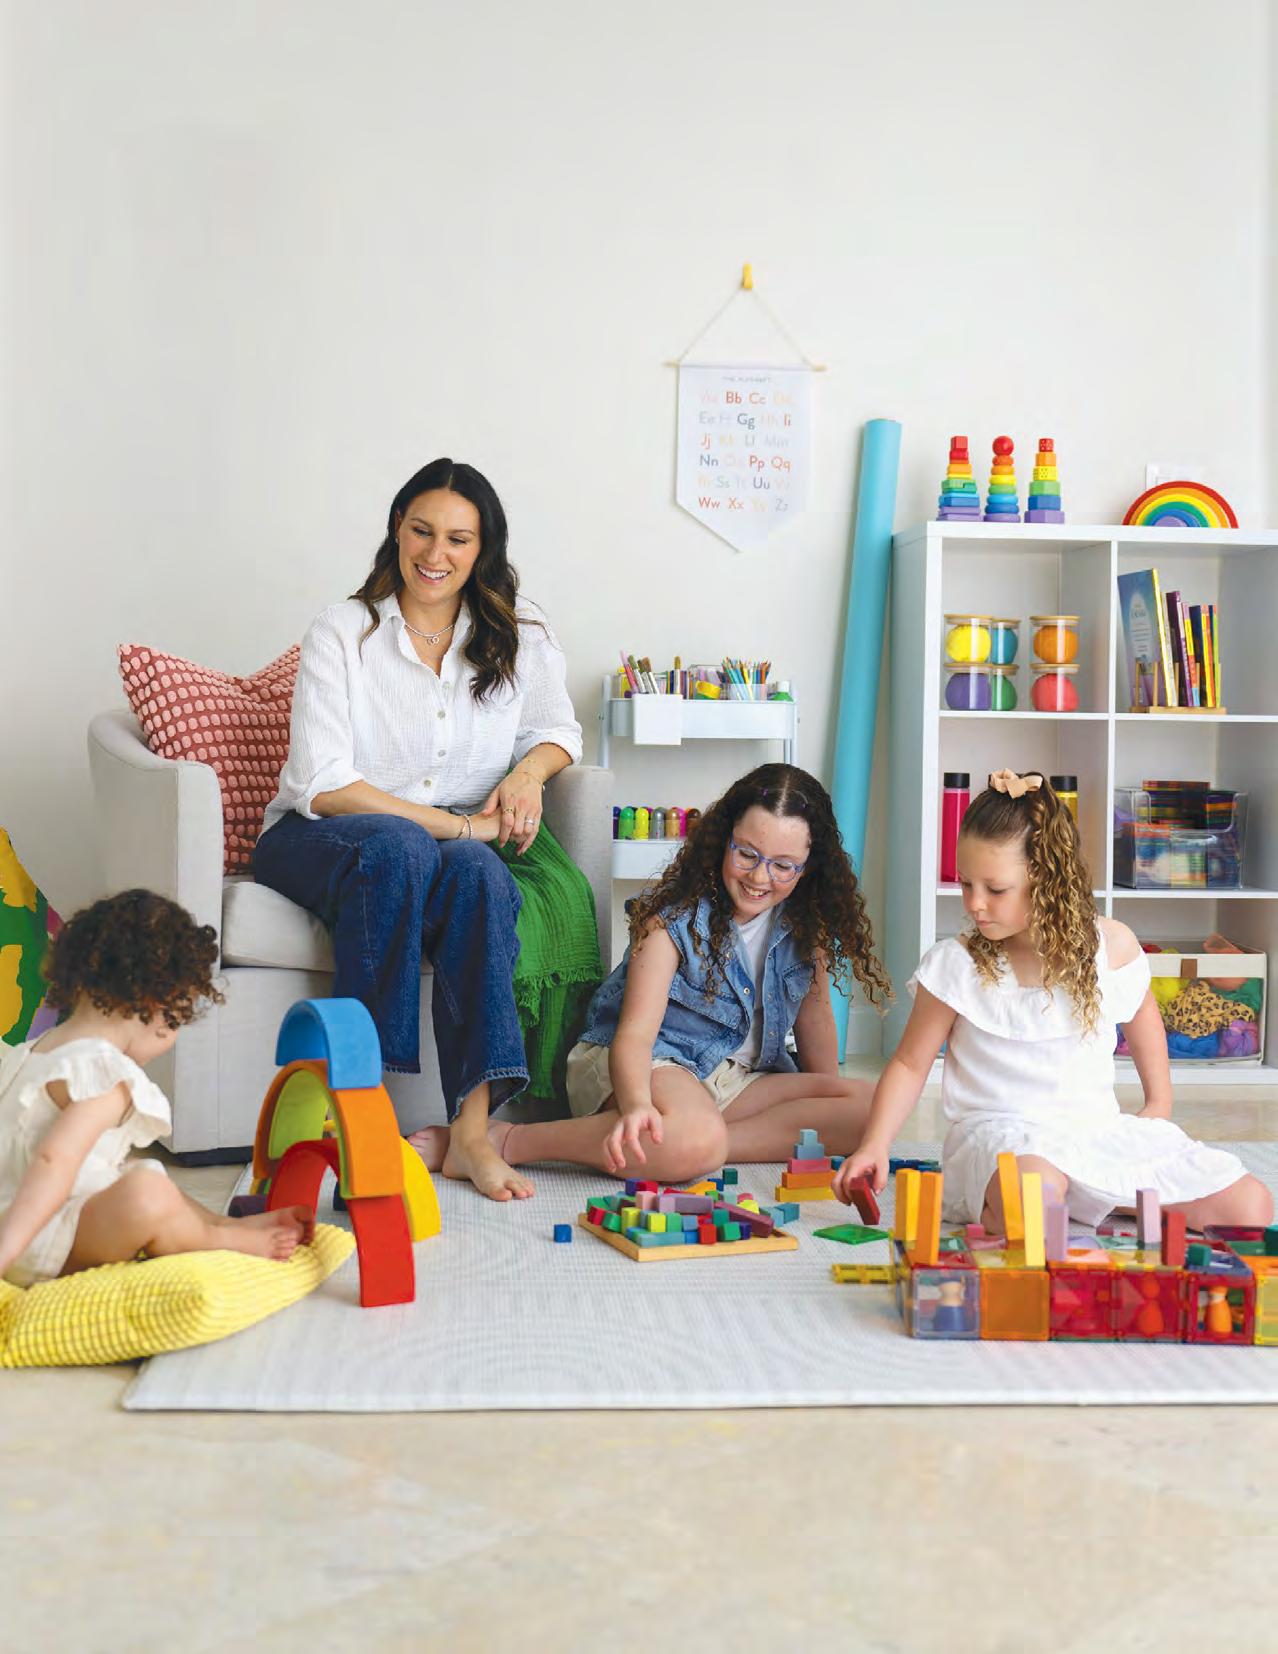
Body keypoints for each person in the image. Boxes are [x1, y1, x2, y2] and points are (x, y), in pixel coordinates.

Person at [254, 458, 588, 1204]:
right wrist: (461, 827)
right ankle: (363, 1110)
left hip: (440, 848)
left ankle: (470, 1134)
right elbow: (325, 785)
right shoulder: (344, 631)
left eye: (458, 539)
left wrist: (529, 774)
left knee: (480, 876)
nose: (436, 554)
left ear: (483, 549)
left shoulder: (518, 633)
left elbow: (558, 729)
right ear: (397, 531)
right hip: (317, 837)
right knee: (409, 845)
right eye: (422, 531)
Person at [833, 770, 1273, 1232]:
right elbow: (909, 1064)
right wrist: (875, 1143)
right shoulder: (955, 964)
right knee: (1035, 1196)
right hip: (1001, 1137)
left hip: (1092, 1131)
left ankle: (1102, 1198)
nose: (975, 903)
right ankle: (1048, 1203)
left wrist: (1158, 1104)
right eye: (965, 884)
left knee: (1250, 1207)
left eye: (995, 889)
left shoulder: (1110, 946)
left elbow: (1142, 1010)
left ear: (1046, 880)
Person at [415, 764, 891, 1182]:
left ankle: (695, 1144)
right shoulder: (673, 921)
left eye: (784, 866)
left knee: (875, 1107)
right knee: (695, 1134)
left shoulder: (805, 927)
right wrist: (638, 1106)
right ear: (723, 839)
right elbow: (634, 1038)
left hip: (735, 1080)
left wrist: (825, 1110)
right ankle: (510, 1140)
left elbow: (816, 1023)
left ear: (808, 869)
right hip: (648, 1064)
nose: (760, 877)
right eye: (746, 854)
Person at [0, 891, 313, 1286]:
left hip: (21, 1222)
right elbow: (53, 1161)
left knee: (133, 1172)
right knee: (147, 1191)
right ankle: (224, 1240)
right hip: (35, 1243)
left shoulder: (30, 1053)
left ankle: (223, 1224)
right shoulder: (103, 1073)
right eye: (177, 1021)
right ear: (160, 1007)